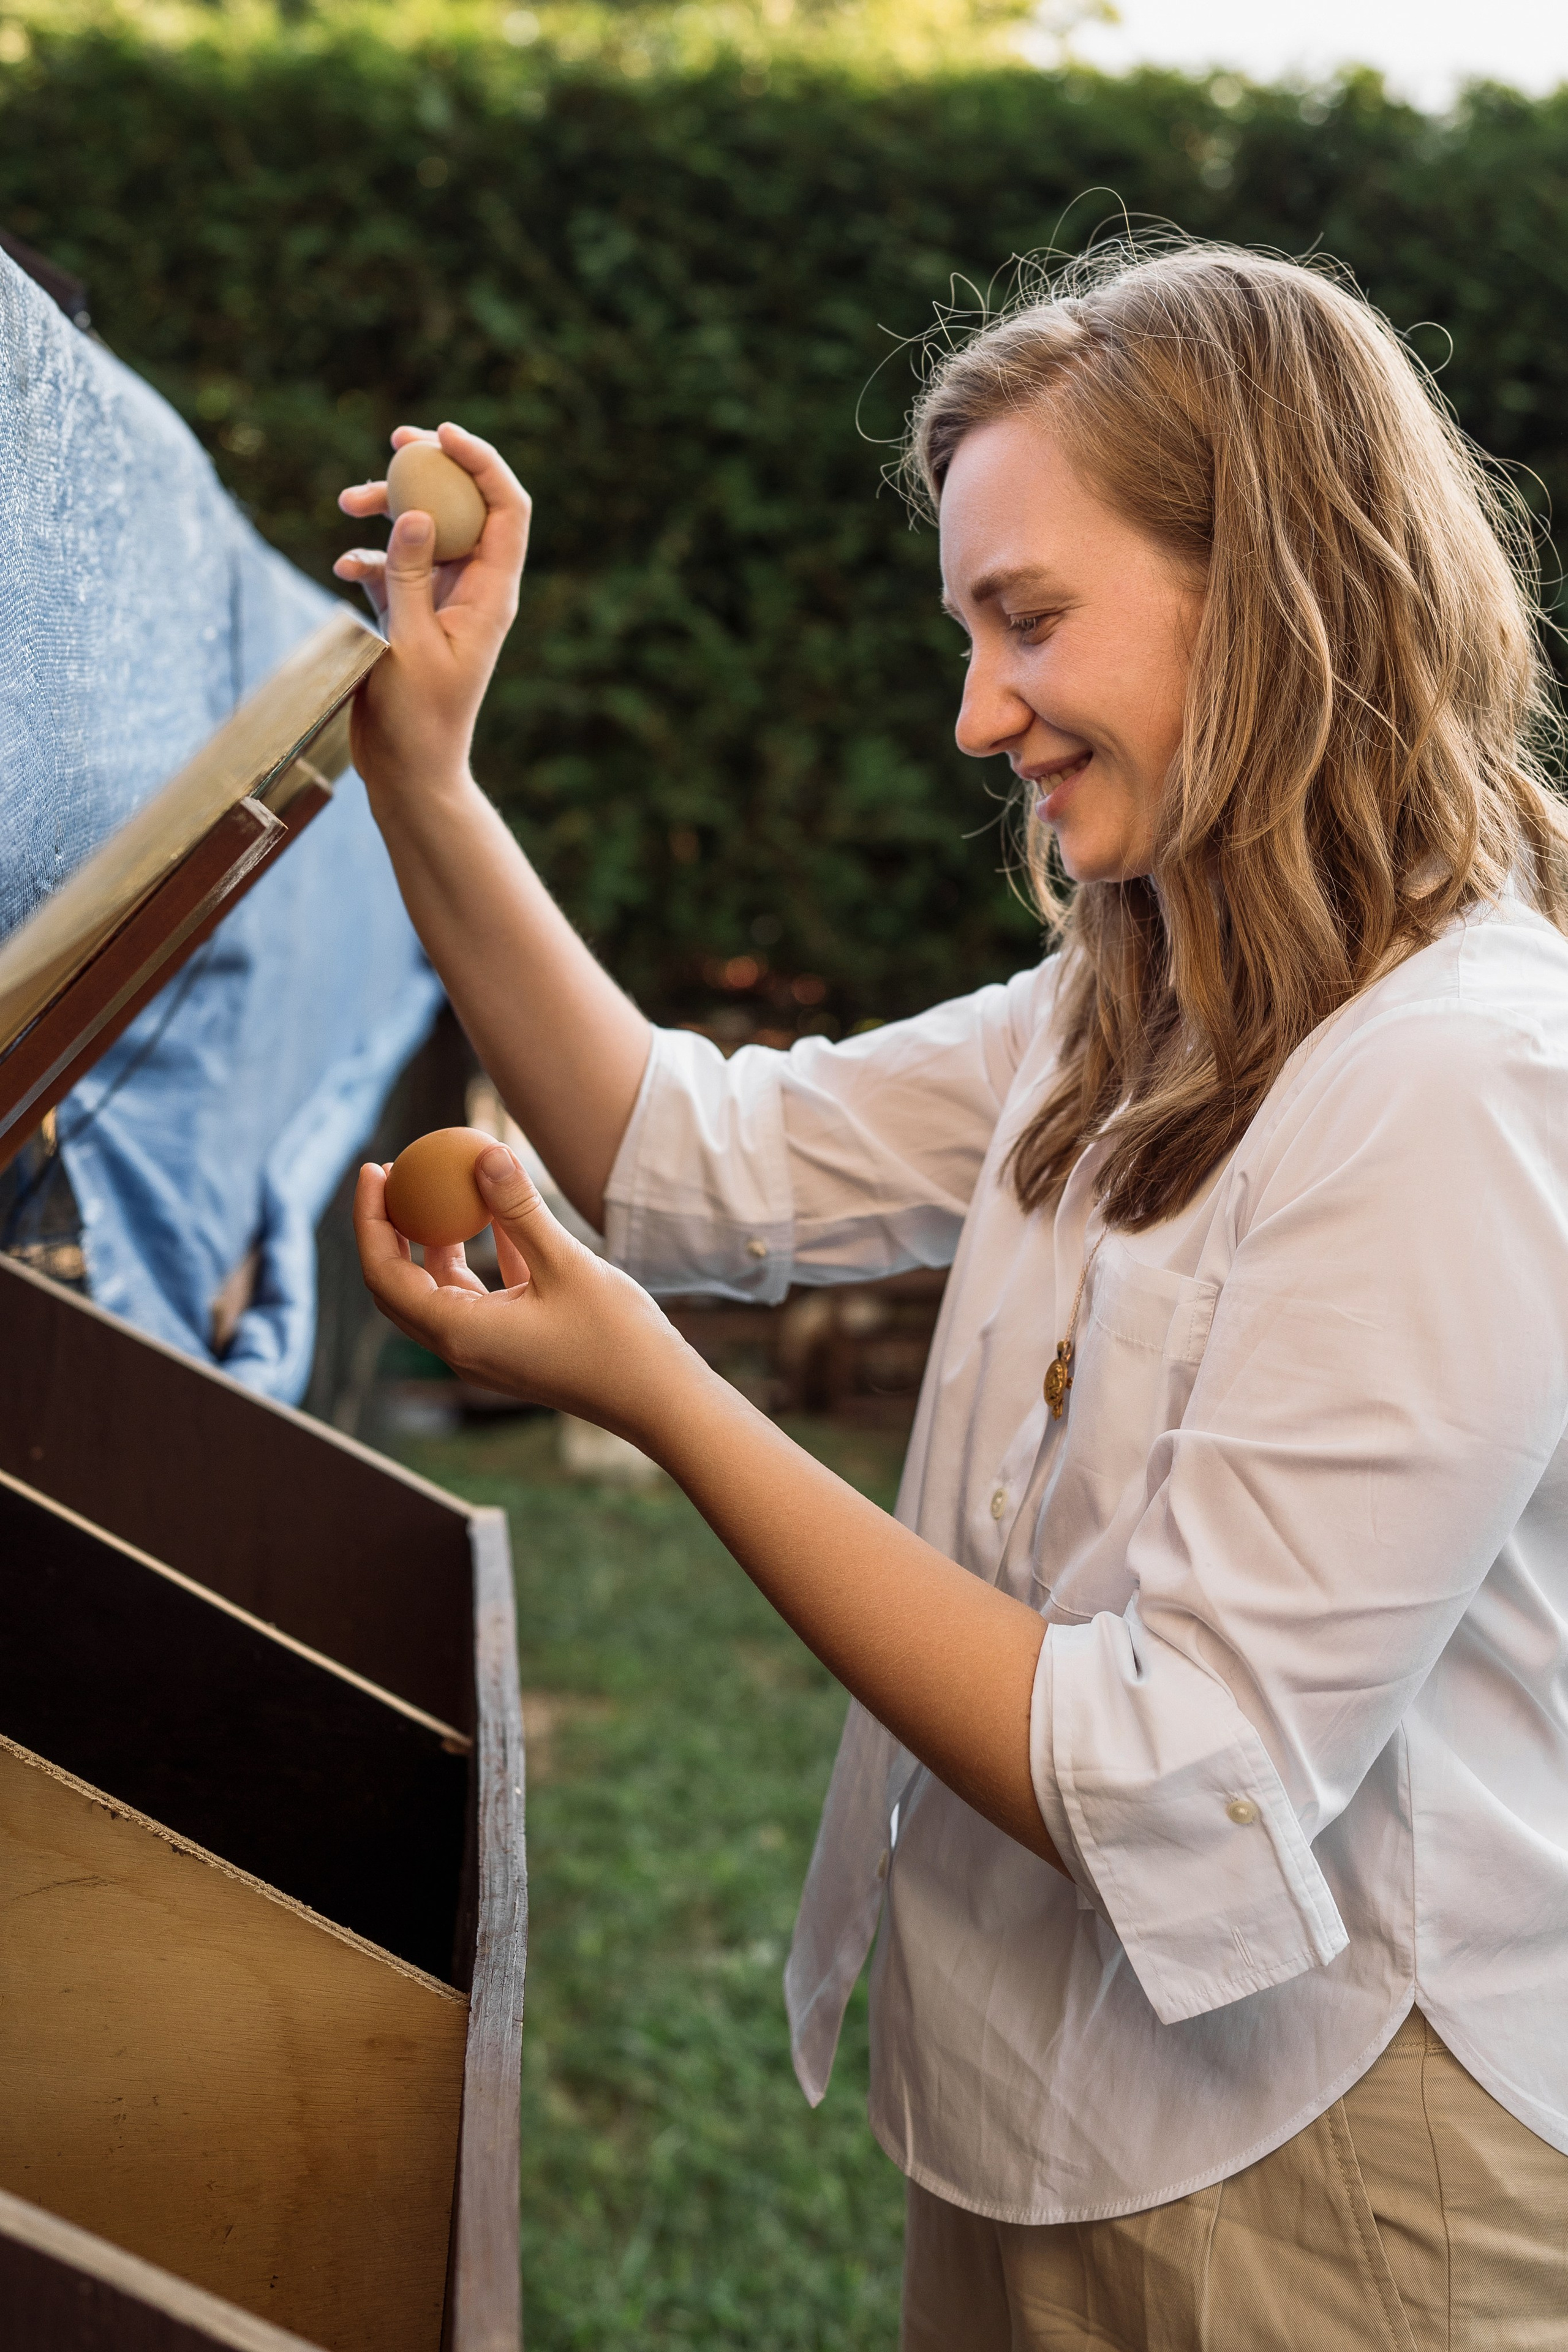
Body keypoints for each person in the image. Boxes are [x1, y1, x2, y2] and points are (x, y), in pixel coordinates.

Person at [337, 241, 1568, 2350]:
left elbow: (1180, 1768)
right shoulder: (1145, 991)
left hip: (1339, 2167)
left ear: (1275, 588)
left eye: (1030, 620)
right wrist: (426, 776)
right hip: (1042, 2107)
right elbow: (682, 1160)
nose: (979, 712)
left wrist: (661, 1396)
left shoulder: (1466, 1079)